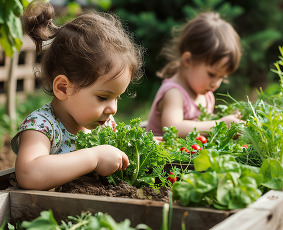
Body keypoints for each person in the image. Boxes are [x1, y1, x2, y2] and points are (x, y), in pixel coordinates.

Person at [10, 0, 143, 190]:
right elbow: (29, 174)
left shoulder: (103, 125)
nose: (113, 108)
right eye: (103, 97)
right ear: (63, 88)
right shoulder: (42, 127)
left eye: (117, 97)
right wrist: (93, 157)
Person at [146, 12, 244, 137]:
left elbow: (202, 127)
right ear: (188, 60)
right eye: (212, 74)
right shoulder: (174, 93)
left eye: (222, 77)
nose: (216, 83)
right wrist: (220, 125)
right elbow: (173, 129)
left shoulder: (207, 96)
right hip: (161, 154)